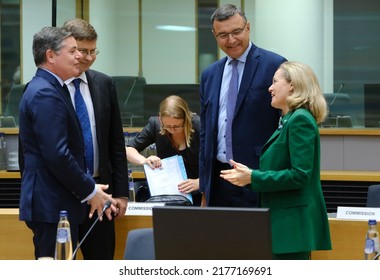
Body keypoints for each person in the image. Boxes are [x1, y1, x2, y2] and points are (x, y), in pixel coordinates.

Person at [18, 26, 117, 260]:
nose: (79, 56)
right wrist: (90, 190)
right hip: (51, 205)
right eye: (73, 51)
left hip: (58, 202)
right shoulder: (45, 92)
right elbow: (57, 154)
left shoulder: (53, 88)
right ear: (51, 56)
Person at [221, 61, 332, 260]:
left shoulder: (300, 120)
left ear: (292, 85)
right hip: (281, 224)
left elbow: (300, 175)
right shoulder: (287, 120)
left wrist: (253, 177)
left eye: (274, 81)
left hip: (292, 226)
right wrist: (248, 175)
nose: (269, 88)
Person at [199, 4, 287, 207]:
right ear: (214, 35)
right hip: (218, 180)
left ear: (248, 27)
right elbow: (206, 133)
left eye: (236, 32)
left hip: (257, 176)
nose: (231, 40)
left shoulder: (274, 65)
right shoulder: (209, 75)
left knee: (257, 239)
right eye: (223, 35)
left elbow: (284, 126)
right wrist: (205, 184)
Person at [62, 18, 128, 260]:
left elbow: (115, 143)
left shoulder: (103, 83)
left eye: (93, 51)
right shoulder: (49, 87)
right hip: (63, 196)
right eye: (81, 51)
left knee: (101, 264)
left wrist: (121, 193)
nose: (88, 58)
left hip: (102, 194)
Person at [126, 95, 201, 206]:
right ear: (160, 119)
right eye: (167, 126)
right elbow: (128, 149)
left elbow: (217, 161)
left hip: (198, 193)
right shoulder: (155, 124)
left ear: (186, 119)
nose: (172, 130)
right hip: (167, 195)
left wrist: (201, 182)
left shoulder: (199, 125)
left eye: (177, 126)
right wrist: (144, 160)